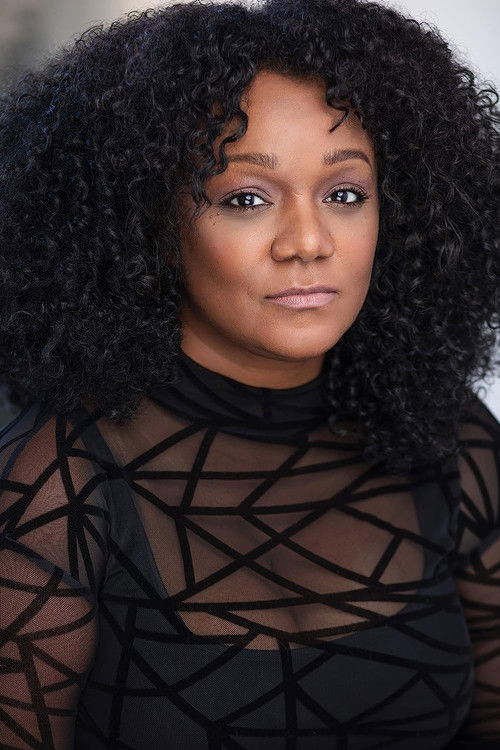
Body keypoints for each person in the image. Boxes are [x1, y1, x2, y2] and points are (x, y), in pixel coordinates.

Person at [0, 0, 499, 747]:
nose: (307, 242)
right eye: (246, 199)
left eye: (344, 194)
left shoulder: (451, 438)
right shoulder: (54, 490)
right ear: (149, 222)